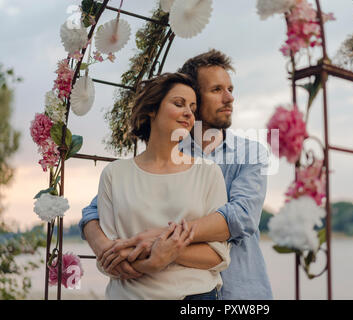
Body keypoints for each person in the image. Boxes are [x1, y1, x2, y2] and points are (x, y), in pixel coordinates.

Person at [79, 49, 273, 300]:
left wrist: (160, 239)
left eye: (230, 89)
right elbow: (94, 211)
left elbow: (242, 217)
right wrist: (107, 253)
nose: (229, 98)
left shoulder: (251, 152)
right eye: (216, 90)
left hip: (241, 293)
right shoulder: (163, 152)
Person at [95, 72, 230, 300]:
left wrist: (165, 253)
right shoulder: (114, 174)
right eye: (179, 104)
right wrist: (156, 256)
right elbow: (111, 256)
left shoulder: (208, 173)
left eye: (193, 108)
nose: (188, 113)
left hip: (195, 298)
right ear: (152, 109)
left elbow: (217, 256)